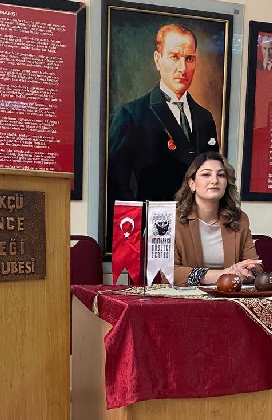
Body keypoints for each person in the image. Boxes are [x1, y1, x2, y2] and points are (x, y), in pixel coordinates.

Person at [107, 23, 219, 249]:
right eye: (174, 57)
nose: (182, 68)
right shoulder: (131, 115)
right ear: (158, 60)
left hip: (196, 240)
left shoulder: (205, 118)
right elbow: (117, 188)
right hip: (151, 238)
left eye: (189, 59)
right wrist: (133, 242)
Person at [173, 152, 262, 286]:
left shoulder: (239, 219)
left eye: (221, 175)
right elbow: (170, 273)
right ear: (192, 183)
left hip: (229, 294)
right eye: (206, 174)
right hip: (188, 296)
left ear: (226, 183)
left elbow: (256, 267)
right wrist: (225, 274)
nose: (214, 180)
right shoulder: (173, 220)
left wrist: (247, 272)